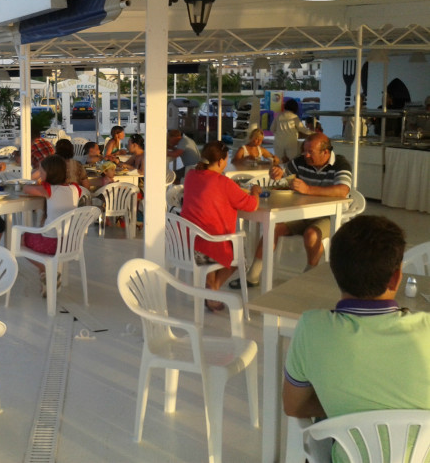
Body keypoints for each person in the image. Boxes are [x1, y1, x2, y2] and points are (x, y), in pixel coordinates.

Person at [283, 215, 430, 463]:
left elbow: (293, 406)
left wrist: (347, 405)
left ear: (335, 272)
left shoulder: (311, 328)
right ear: (396, 278)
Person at [239, 132, 352, 288]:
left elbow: (342, 190)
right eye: (304, 151)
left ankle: (309, 273)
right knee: (273, 228)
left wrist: (308, 189)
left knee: (311, 234)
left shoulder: (340, 164)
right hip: (302, 212)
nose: (306, 155)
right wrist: (277, 172)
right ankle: (253, 275)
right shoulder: (301, 161)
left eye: (310, 152)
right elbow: (283, 172)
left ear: (325, 152)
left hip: (329, 215)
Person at [180, 141, 261, 311]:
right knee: (238, 255)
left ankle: (211, 290)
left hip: (185, 243)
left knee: (208, 236)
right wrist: (255, 191)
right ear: (220, 161)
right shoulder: (223, 182)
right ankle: (213, 290)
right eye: (226, 159)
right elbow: (252, 205)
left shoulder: (191, 175)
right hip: (207, 246)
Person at [21, 155, 82, 297]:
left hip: (52, 244)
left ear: (49, 173)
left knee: (21, 239)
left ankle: (46, 270)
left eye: (41, 172)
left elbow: (26, 188)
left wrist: (37, 180)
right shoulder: (75, 188)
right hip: (70, 243)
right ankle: (45, 282)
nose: (40, 174)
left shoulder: (49, 189)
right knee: (38, 235)